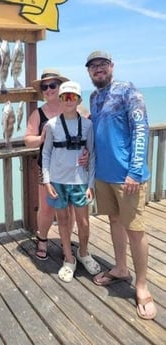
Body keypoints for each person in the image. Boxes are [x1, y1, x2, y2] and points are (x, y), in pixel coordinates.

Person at [85, 50, 157, 319]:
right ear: (89, 72)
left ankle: (141, 285)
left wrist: (135, 171)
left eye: (102, 64)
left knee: (135, 230)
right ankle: (120, 269)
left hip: (128, 178)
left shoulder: (129, 91)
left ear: (112, 66)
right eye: (93, 66)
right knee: (114, 221)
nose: (98, 69)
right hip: (103, 175)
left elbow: (141, 128)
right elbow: (97, 129)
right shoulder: (93, 97)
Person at [41, 81, 101, 282]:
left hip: (80, 182)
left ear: (78, 100)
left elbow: (91, 155)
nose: (68, 101)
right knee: (63, 221)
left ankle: (83, 253)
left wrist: (91, 184)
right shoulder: (51, 125)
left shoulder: (88, 125)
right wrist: (47, 182)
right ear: (60, 99)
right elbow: (46, 153)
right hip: (58, 181)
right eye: (65, 97)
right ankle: (68, 258)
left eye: (72, 97)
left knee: (83, 222)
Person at [24, 68, 77, 260]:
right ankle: (42, 239)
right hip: (46, 168)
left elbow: (89, 130)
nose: (48, 90)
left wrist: (87, 151)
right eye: (44, 87)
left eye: (52, 86)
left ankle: (66, 241)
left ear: (60, 87)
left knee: (69, 207)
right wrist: (40, 138)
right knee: (46, 207)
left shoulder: (75, 107)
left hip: (72, 169)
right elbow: (28, 139)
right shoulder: (38, 114)